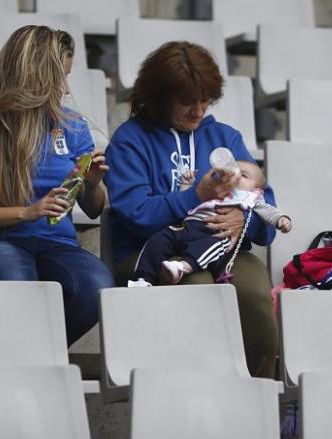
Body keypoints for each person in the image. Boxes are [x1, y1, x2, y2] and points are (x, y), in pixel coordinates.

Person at [104, 41, 281, 378]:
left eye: (205, 100)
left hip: (223, 249)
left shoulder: (225, 137)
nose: (198, 110)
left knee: (254, 300)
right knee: (196, 289)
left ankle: (257, 399)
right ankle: (194, 397)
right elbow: (135, 214)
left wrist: (242, 219)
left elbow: (265, 213)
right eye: (187, 100)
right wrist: (196, 196)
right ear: (158, 97)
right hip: (152, 251)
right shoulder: (130, 140)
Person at [0, 25, 113, 345]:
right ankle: (29, 364)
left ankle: (31, 358)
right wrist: (27, 212)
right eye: (59, 76)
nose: (64, 88)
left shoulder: (72, 125)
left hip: (55, 244)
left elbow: (94, 210)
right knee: (18, 280)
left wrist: (92, 184)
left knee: (95, 284)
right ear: (33, 76)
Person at [130, 160, 292, 286]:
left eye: (244, 175)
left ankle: (183, 267)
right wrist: (187, 185)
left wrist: (281, 219)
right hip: (187, 227)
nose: (236, 176)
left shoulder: (251, 198)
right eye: (234, 171)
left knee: (209, 246)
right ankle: (142, 279)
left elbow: (268, 211)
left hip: (215, 234)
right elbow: (190, 202)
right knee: (159, 240)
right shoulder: (218, 188)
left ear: (257, 191)